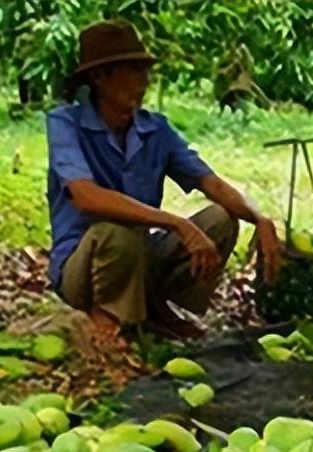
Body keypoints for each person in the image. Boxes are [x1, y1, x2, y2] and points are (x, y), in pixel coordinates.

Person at [46, 20, 281, 342]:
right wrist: (177, 223)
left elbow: (211, 183)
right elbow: (87, 197)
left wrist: (259, 218)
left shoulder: (156, 129)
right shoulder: (65, 124)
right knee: (115, 234)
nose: (142, 82)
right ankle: (107, 317)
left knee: (220, 219)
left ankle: (154, 306)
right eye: (132, 71)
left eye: (144, 72)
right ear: (99, 77)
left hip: (141, 258)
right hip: (85, 268)